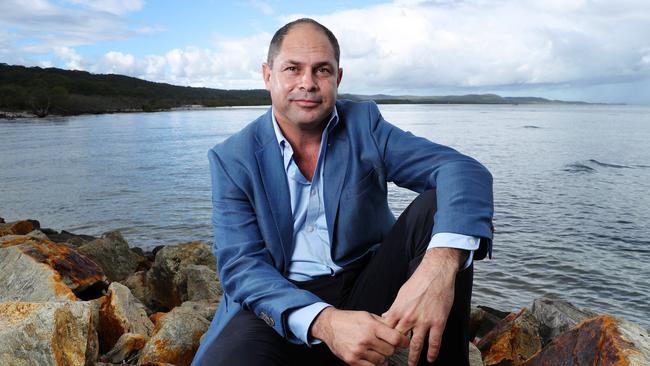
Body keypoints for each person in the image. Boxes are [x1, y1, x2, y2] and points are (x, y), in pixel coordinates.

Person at [192, 18, 493, 366]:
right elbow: (242, 265)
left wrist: (438, 268)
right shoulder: (232, 158)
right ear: (267, 75)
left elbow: (462, 170)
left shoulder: (364, 124)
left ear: (338, 78)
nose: (307, 83)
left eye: (322, 70)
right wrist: (326, 322)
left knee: (438, 208)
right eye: (292, 69)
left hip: (366, 281)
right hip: (279, 296)